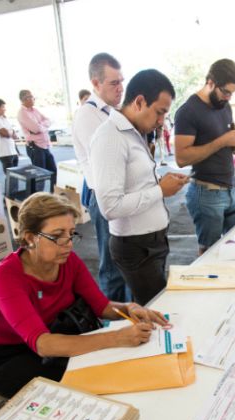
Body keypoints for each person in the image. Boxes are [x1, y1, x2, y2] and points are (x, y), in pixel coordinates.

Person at [0, 192, 170, 398]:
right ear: (30, 238)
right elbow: (44, 344)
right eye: (57, 235)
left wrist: (129, 308)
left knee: (111, 370)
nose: (68, 243)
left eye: (71, 233)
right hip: (8, 357)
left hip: (54, 337)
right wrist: (116, 337)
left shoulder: (68, 260)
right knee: (90, 385)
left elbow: (102, 307)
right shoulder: (5, 277)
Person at [90, 69, 189, 305]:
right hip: (136, 246)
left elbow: (136, 182)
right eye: (159, 112)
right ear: (140, 102)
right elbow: (110, 207)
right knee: (155, 310)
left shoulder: (132, 132)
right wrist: (160, 190)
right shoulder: (111, 137)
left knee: (154, 307)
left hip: (151, 243)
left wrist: (160, 183)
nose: (161, 121)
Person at [174, 58, 235, 255]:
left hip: (230, 190)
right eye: (225, 92)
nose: (228, 97)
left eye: (232, 93)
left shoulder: (224, 106)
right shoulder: (188, 111)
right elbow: (181, 158)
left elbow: (230, 149)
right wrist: (222, 141)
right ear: (210, 82)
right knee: (209, 253)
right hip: (206, 193)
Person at [71, 52, 130, 304]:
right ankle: (111, 318)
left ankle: (126, 313)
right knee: (112, 266)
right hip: (106, 198)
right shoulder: (89, 115)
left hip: (121, 196)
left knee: (125, 262)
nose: (120, 88)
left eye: (121, 81)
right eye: (114, 83)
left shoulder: (111, 113)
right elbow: (110, 161)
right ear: (95, 83)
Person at [17, 89, 57, 184]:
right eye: (31, 97)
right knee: (40, 178)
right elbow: (36, 129)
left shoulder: (35, 110)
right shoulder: (22, 113)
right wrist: (42, 127)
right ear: (25, 99)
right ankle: (39, 194)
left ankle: (54, 193)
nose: (34, 99)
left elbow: (48, 120)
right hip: (35, 147)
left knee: (54, 173)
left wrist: (41, 126)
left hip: (44, 145)